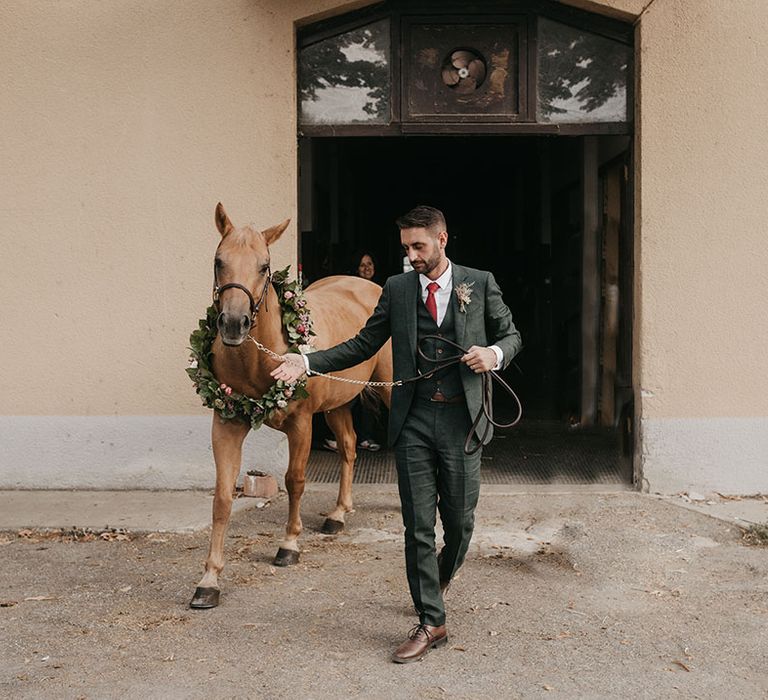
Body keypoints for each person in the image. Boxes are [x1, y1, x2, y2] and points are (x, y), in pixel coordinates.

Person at [271, 205, 522, 663]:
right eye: (406, 247)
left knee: (461, 523)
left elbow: (512, 335)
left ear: (442, 240)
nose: (412, 256)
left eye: (419, 246)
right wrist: (305, 361)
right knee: (417, 526)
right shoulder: (398, 288)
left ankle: (438, 579)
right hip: (413, 422)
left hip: (462, 421)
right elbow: (363, 344)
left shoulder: (479, 283)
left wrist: (493, 353)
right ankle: (431, 620)